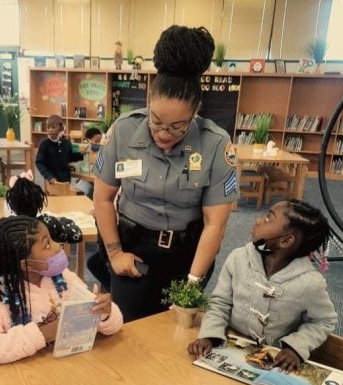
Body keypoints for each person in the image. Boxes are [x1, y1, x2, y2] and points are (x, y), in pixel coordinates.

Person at [93, 25, 239, 322]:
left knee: (174, 335)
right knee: (128, 331)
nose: (164, 134)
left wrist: (193, 284)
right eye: (156, 121)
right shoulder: (122, 130)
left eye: (177, 127)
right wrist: (114, 253)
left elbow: (215, 225)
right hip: (132, 250)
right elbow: (103, 199)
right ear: (149, 102)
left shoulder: (216, 144)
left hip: (187, 257)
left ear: (196, 111)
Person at [187, 200, 339, 373]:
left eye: (268, 218)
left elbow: (324, 321)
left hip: (274, 362)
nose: (258, 220)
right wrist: (209, 335)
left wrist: (295, 348)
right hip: (229, 347)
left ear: (286, 241)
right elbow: (219, 303)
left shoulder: (311, 283)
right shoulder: (238, 259)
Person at [0, 216, 123, 369]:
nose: (57, 246)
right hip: (25, 378)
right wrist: (43, 333)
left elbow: (110, 326)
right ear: (27, 265)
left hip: (68, 369)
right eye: (47, 244)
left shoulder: (64, 278)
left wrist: (105, 314)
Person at [0, 170, 83, 246]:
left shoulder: (5, 226)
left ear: (12, 204)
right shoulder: (49, 223)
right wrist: (65, 220)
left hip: (16, 278)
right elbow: (76, 235)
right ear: (40, 202)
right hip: (44, 275)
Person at [35, 115, 87, 192]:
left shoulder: (66, 143)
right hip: (52, 181)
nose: (50, 130)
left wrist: (81, 154)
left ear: (61, 129)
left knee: (67, 199)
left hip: (65, 180)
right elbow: (39, 162)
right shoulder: (44, 144)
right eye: (48, 127)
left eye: (53, 127)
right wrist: (49, 176)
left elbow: (69, 157)